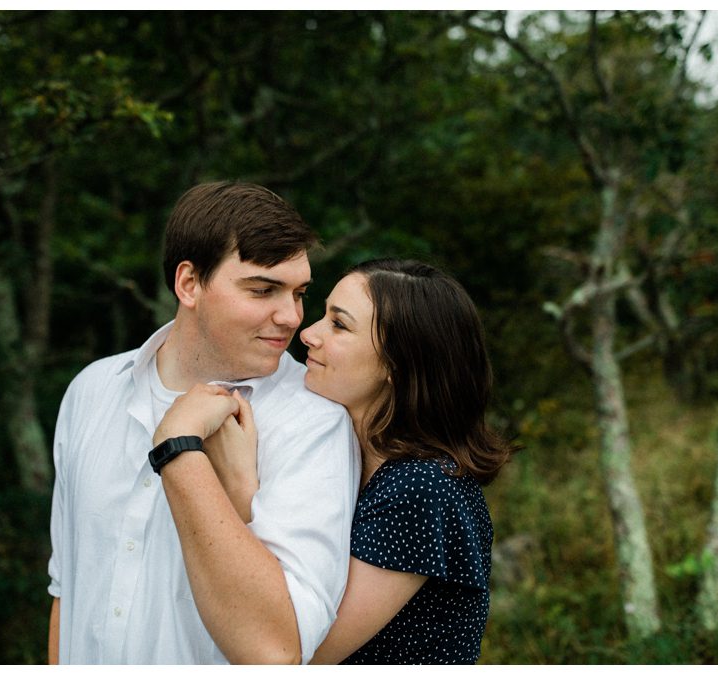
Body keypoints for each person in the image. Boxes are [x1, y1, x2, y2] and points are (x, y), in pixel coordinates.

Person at [46, 181, 360, 664]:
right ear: (189, 284)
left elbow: (276, 651)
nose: (292, 317)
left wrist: (180, 448)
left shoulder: (314, 424)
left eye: (299, 293)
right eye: (263, 290)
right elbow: (67, 591)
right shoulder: (92, 390)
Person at [166, 258, 513, 663]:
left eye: (339, 325)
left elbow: (295, 651)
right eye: (324, 315)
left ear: (397, 363)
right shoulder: (362, 463)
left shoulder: (421, 490)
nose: (308, 333)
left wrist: (241, 488)